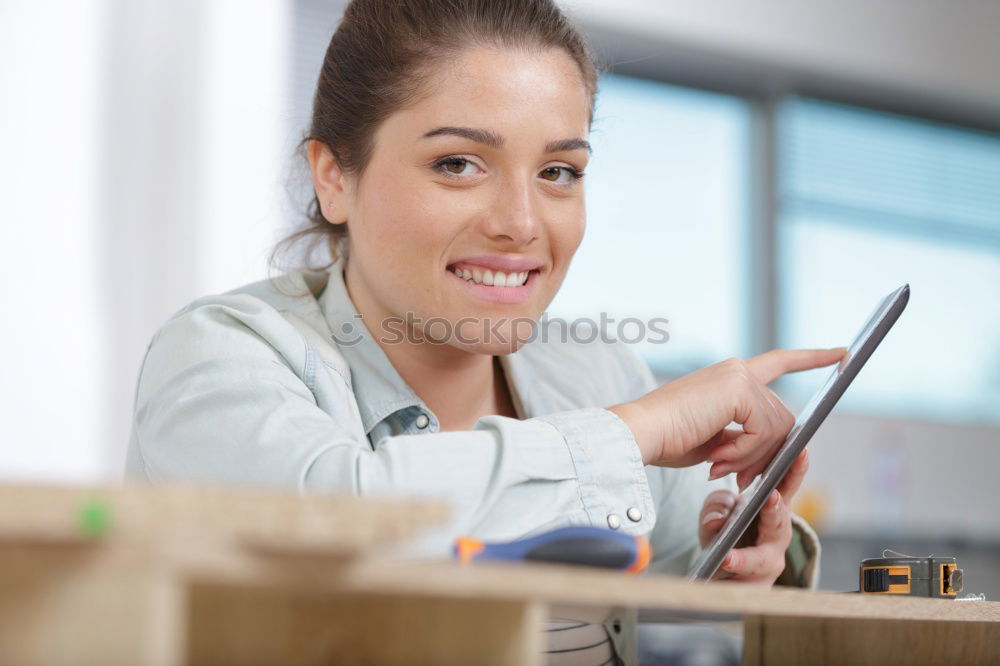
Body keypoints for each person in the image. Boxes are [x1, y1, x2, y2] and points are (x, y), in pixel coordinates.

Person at [123, 0, 843, 662]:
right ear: (334, 176)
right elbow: (339, 526)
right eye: (458, 164)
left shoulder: (598, 375)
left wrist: (747, 559)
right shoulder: (219, 352)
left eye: (559, 171)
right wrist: (634, 432)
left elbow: (699, 592)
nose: (522, 224)